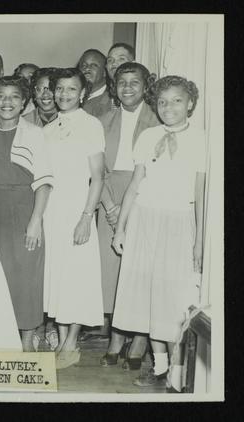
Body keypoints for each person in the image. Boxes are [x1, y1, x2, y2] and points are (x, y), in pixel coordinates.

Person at [111, 76, 205, 389]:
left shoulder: (201, 139)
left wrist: (199, 242)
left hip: (178, 222)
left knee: (173, 298)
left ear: (190, 104)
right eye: (162, 102)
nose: (169, 107)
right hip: (144, 220)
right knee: (149, 296)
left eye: (177, 100)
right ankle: (160, 367)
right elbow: (135, 185)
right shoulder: (148, 135)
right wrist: (121, 228)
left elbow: (201, 193)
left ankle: (177, 374)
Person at [0, 76, 54, 352]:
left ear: (23, 103)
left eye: (14, 97)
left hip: (24, 209)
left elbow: (44, 183)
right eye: (1, 97)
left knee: (26, 275)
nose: (7, 102)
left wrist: (36, 221)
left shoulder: (34, 134)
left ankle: (27, 341)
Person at [97, 62, 160, 370]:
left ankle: (139, 339)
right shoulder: (102, 120)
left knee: (139, 271)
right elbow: (96, 170)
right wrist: (110, 206)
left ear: (146, 86)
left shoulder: (157, 120)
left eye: (135, 82)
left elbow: (154, 174)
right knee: (111, 272)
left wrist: (129, 206)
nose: (128, 88)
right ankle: (116, 336)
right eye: (122, 82)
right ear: (114, 86)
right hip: (107, 193)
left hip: (144, 196)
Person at [42, 68, 105, 368]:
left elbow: (98, 177)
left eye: (71, 89)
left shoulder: (91, 125)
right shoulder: (48, 129)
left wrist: (86, 217)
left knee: (78, 275)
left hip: (78, 209)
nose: (64, 94)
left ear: (82, 94)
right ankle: (62, 336)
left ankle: (71, 341)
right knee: (58, 275)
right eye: (59, 88)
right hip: (52, 211)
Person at [78, 49, 113, 119]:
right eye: (83, 65)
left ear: (105, 72)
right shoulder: (72, 96)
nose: (87, 68)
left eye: (94, 65)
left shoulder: (112, 102)